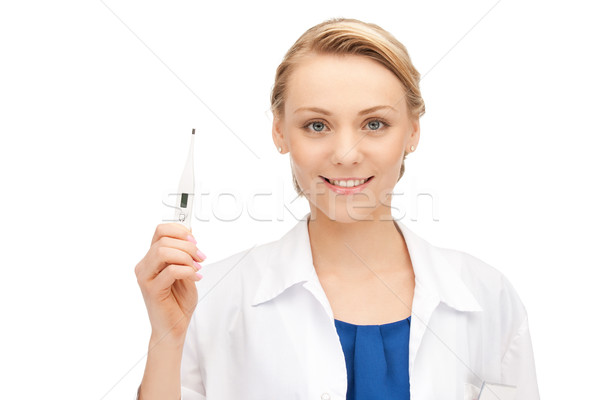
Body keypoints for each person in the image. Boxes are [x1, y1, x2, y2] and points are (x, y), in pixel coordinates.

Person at [135, 17, 540, 400]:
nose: (346, 155)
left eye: (375, 124)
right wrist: (166, 339)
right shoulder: (210, 301)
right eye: (317, 125)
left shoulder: (488, 298)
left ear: (413, 131)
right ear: (279, 131)